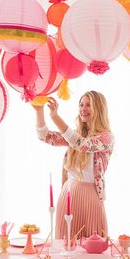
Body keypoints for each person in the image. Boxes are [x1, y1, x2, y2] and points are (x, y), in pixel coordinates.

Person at [33, 91, 114, 240]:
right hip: (68, 194)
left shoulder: (106, 137)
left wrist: (56, 117)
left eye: (89, 105)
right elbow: (45, 137)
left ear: (99, 109)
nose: (83, 108)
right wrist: (39, 111)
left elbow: (80, 144)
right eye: (81, 104)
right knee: (65, 247)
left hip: (91, 198)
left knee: (93, 247)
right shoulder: (75, 134)